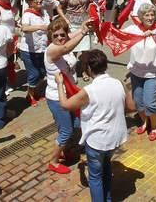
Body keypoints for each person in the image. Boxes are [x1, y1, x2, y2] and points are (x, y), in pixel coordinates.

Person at [55, 50, 134, 202]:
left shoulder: (89, 91)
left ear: (89, 69)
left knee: (95, 177)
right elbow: (131, 106)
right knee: (106, 168)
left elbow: (65, 105)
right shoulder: (119, 83)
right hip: (115, 138)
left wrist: (60, 84)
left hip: (98, 141)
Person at [123, 3, 156, 141]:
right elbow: (118, 35)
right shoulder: (133, 29)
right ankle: (145, 121)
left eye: (152, 15)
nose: (150, 17)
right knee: (138, 103)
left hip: (153, 73)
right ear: (141, 17)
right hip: (136, 73)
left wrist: (155, 33)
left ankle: (154, 126)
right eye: (147, 15)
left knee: (150, 103)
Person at [44, 17, 88, 174]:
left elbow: (70, 36)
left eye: (62, 35)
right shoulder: (52, 50)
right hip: (57, 98)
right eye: (55, 36)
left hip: (70, 94)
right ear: (50, 37)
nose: (60, 38)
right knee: (66, 131)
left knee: (76, 124)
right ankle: (53, 161)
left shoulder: (64, 41)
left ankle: (65, 149)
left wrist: (82, 28)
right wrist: (83, 33)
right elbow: (65, 49)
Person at [57, 0, 122, 54]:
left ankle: (84, 67)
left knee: (86, 51)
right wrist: (65, 20)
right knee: (73, 51)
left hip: (85, 24)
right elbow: (59, 8)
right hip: (71, 25)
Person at [19, 0, 49, 107]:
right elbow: (25, 28)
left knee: (42, 73)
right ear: (30, 3)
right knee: (34, 74)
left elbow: (48, 26)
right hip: (29, 50)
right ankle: (29, 96)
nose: (39, 1)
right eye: (36, 0)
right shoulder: (28, 15)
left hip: (42, 48)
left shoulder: (44, 12)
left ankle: (34, 92)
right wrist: (40, 27)